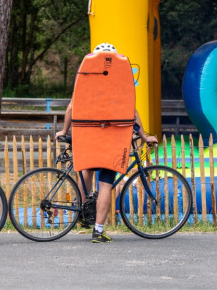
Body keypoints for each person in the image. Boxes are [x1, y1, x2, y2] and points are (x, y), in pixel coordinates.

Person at [55, 43, 158, 243]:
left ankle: (84, 212)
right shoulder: (119, 83)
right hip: (112, 138)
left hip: (87, 136)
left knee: (86, 169)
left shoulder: (87, 81)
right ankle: (98, 231)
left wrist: (65, 130)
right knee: (105, 185)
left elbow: (71, 108)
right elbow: (132, 113)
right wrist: (144, 136)